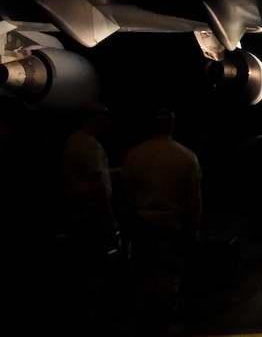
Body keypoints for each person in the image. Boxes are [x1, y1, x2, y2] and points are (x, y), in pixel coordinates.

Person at [121, 107, 202, 336]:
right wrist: (194, 229)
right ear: (172, 125)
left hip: (142, 223)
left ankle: (143, 323)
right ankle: (164, 323)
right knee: (168, 277)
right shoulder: (186, 156)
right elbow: (194, 199)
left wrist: (126, 226)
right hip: (172, 224)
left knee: (143, 276)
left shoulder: (134, 155)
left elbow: (126, 195)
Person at [60, 101, 120, 331]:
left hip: (77, 212)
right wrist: (109, 216)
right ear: (91, 118)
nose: (106, 122)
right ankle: (89, 314)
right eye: (103, 117)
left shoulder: (72, 142)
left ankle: (81, 312)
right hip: (90, 215)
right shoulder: (88, 145)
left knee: (82, 264)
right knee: (94, 265)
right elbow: (97, 184)